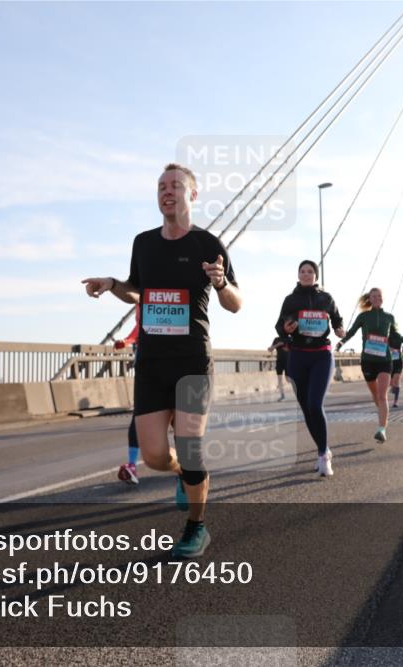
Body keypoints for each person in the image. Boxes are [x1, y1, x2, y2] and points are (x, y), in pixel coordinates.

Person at [82, 162, 241, 559]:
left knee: (190, 447)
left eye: (175, 186)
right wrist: (113, 285)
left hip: (191, 361)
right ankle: (184, 478)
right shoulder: (144, 242)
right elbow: (139, 291)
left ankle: (196, 527)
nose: (167, 191)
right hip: (152, 362)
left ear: (193, 194)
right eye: (161, 186)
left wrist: (220, 282)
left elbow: (236, 303)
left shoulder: (209, 244)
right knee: (154, 456)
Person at [277, 260, 344, 476]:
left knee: (315, 404)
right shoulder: (290, 299)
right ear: (298, 274)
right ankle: (322, 449)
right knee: (306, 408)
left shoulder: (326, 298)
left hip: (321, 355)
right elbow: (280, 325)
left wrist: (339, 329)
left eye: (310, 271)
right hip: (297, 356)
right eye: (303, 271)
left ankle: (324, 455)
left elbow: (336, 320)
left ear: (316, 276)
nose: (306, 274)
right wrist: (286, 328)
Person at [337, 288, 403, 441]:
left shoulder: (389, 317)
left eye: (379, 296)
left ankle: (382, 429)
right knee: (375, 394)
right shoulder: (363, 316)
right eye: (374, 296)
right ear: (369, 299)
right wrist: (341, 342)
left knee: (382, 396)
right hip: (368, 360)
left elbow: (396, 334)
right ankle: (382, 413)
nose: (377, 298)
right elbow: (351, 332)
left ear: (382, 299)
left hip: (385, 360)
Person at [113, 319, 141, 485]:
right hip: (146, 368)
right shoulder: (141, 299)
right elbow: (139, 328)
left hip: (173, 363)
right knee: (138, 416)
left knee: (176, 417)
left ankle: (184, 471)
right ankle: (131, 466)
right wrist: (127, 341)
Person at [267, 336, 290, 401]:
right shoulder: (276, 339)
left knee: (288, 379)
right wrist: (277, 345)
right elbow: (270, 349)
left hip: (288, 361)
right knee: (279, 379)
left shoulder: (290, 338)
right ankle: (282, 396)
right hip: (279, 361)